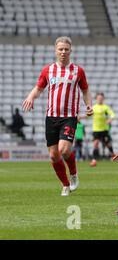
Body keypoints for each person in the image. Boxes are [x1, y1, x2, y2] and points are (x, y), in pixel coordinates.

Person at [22, 36, 93, 196]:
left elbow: (85, 90)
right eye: (60, 49)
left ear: (70, 51)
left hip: (69, 117)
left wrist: (89, 104)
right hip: (51, 117)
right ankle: (65, 184)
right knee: (54, 156)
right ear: (55, 51)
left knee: (64, 149)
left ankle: (74, 174)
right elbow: (39, 88)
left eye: (66, 49)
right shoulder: (48, 70)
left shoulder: (78, 71)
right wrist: (31, 97)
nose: (63, 52)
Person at [91, 92, 115, 160]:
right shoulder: (94, 107)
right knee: (95, 144)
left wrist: (110, 119)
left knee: (108, 144)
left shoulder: (105, 107)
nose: (100, 99)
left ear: (103, 99)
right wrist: (81, 117)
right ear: (96, 99)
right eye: (98, 98)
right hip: (96, 129)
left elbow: (112, 114)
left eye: (101, 98)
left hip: (104, 129)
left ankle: (113, 155)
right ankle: (94, 159)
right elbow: (88, 115)